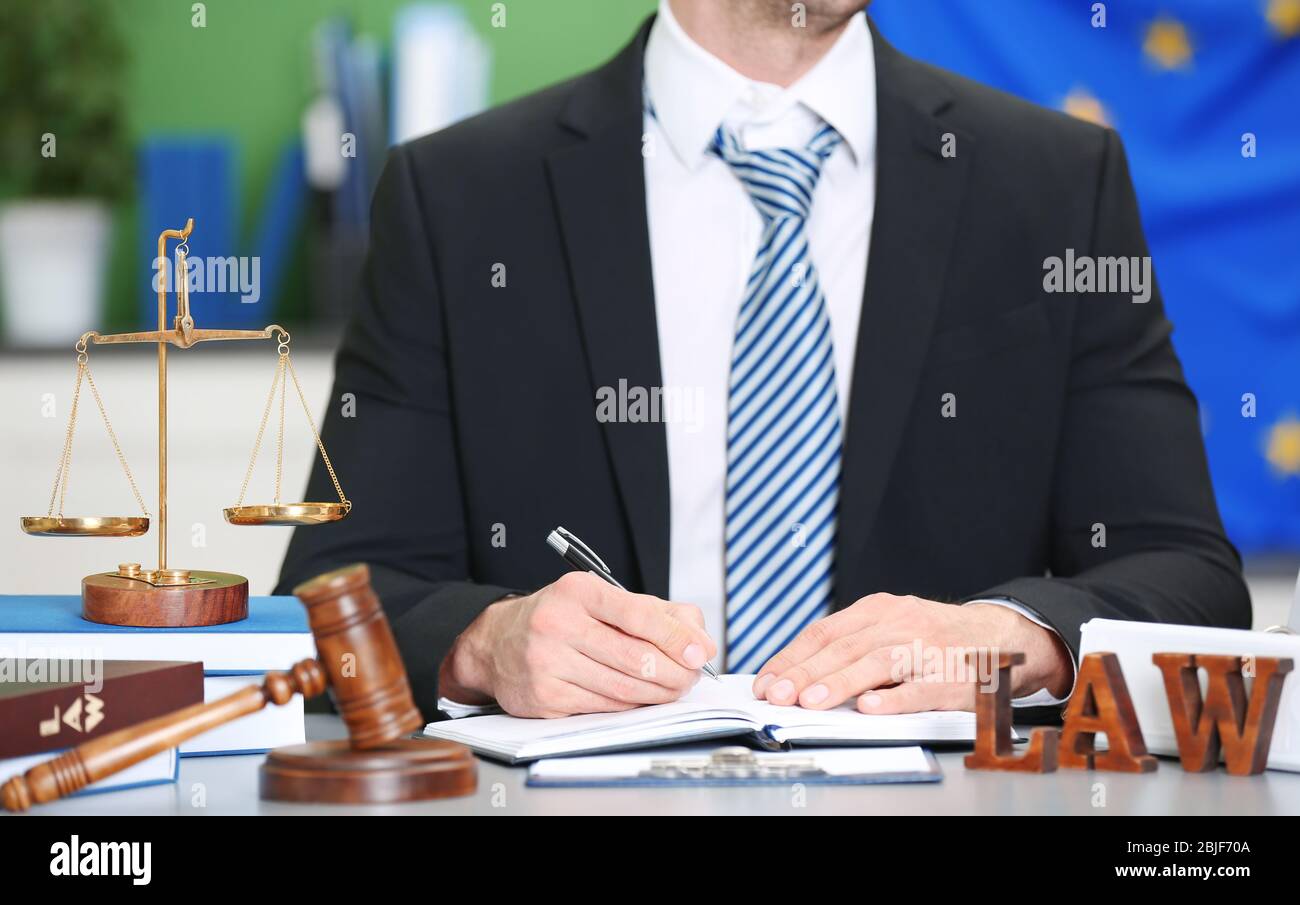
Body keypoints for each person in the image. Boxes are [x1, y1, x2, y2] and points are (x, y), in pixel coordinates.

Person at [276, 0, 1250, 721]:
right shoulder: (456, 197)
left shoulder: (1057, 184)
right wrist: (483, 643)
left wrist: (1017, 632)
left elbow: (1189, 579)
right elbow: (333, 595)